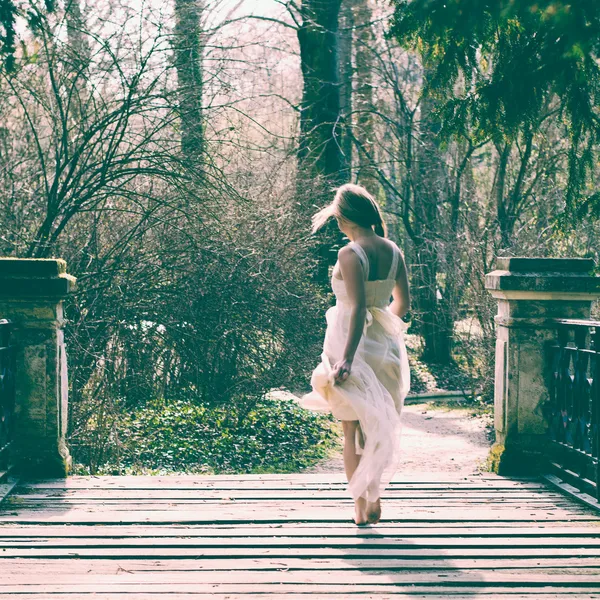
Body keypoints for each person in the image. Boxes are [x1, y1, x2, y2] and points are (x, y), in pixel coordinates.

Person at [300, 183, 411, 526]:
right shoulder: (394, 251)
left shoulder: (350, 253)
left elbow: (358, 305)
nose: (336, 222)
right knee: (373, 427)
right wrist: (384, 328)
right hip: (384, 345)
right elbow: (402, 305)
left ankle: (361, 509)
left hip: (350, 344)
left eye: (337, 216)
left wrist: (347, 358)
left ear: (346, 217)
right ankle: (374, 495)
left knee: (351, 430)